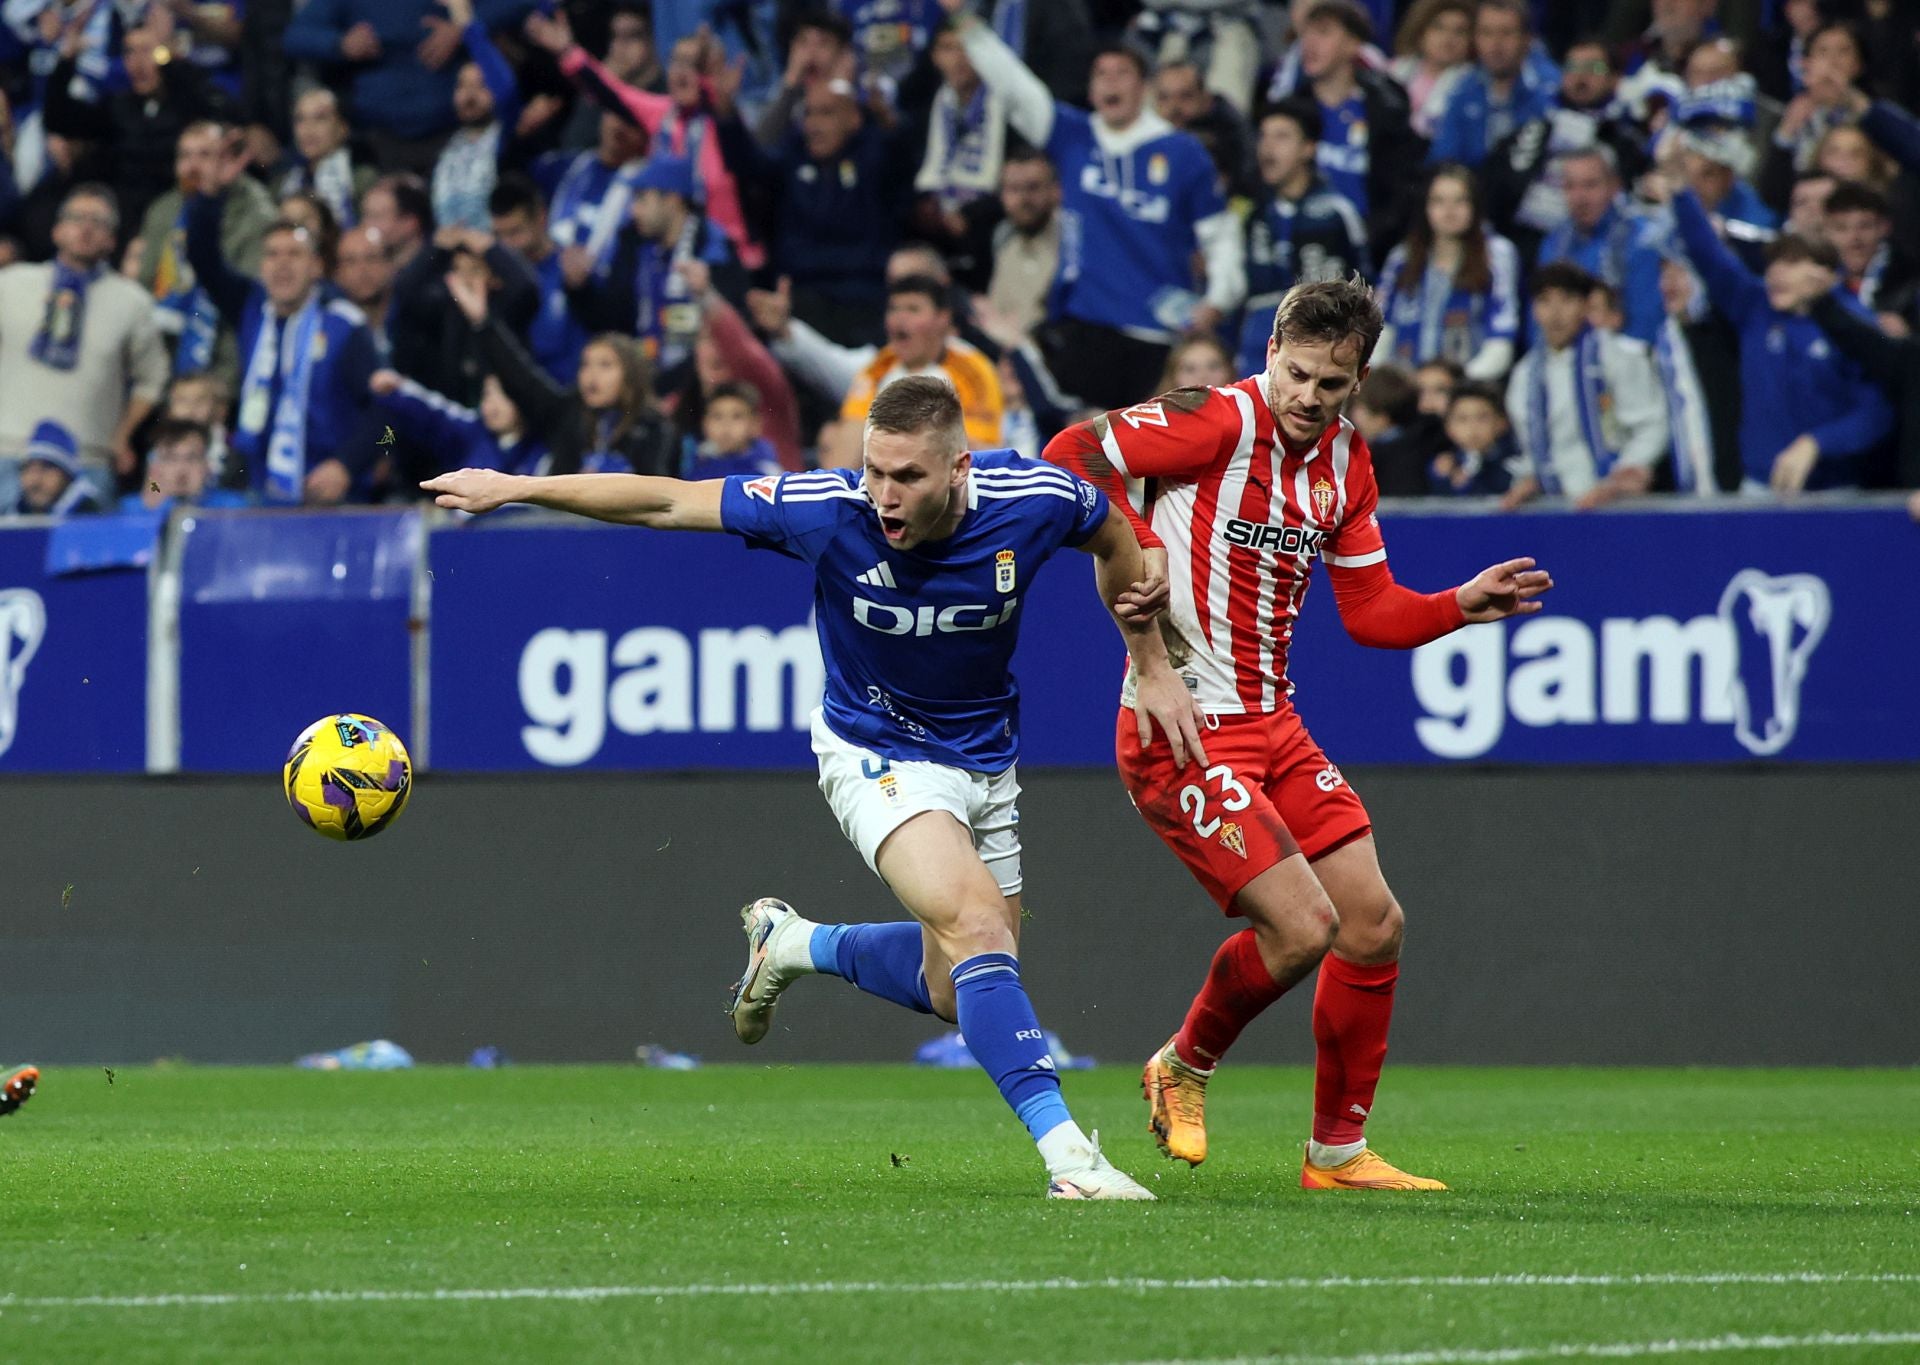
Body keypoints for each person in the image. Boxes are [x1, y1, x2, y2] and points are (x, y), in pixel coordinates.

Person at [422, 374, 1201, 1200]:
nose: (886, 496)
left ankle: (793, 945)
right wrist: (518, 487)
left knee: (956, 983)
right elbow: (667, 502)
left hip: (986, 757)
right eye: (875, 471)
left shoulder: (1036, 497)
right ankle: (1071, 1160)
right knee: (976, 926)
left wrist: (1148, 661)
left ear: (960, 468)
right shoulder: (827, 508)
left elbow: (1116, 536)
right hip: (872, 747)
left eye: (908, 477)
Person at [1045, 277, 1553, 1187]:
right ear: (1272, 350)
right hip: (1181, 727)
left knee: (1371, 924)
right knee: (1303, 925)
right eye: (1299, 373)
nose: (1310, 398)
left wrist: (1456, 607)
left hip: (1275, 724)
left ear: (1358, 382)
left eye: (1333, 383)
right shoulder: (1213, 421)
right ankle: (1182, 1065)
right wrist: (1134, 544)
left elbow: (1370, 611)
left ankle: (1337, 1152)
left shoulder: (1348, 463)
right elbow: (1071, 449)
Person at [949, 1, 1244, 410]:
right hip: (1087, 328)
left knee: (1149, 459)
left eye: (1122, 73)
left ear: (1144, 87)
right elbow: (1015, 85)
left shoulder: (1183, 152)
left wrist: (1219, 299)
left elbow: (1221, 235)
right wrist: (967, 24)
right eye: (1101, 74)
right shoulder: (1073, 135)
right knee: (1081, 447)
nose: (1110, 83)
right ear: (1090, 89)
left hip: (1157, 335)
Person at [1670, 186, 1893, 494]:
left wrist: (1817, 443)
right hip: (1759, 486)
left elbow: (1877, 412)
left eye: (1790, 264)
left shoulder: (1857, 327)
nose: (1775, 274)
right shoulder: (1755, 307)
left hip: (1833, 490)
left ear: (1824, 274)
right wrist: (1682, 192)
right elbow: (1709, 255)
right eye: (1773, 264)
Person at [184, 160, 381, 505]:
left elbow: (388, 417)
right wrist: (211, 196)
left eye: (294, 254)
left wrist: (348, 465)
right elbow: (203, 258)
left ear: (317, 266)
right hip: (260, 495)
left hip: (334, 501)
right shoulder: (252, 309)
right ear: (261, 266)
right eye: (272, 255)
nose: (282, 264)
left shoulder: (345, 327)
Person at [0, 185, 168, 485]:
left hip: (88, 458)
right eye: (77, 218)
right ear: (57, 230)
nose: (86, 228)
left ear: (113, 240)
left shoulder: (132, 301)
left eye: (98, 222)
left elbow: (153, 379)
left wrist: (123, 435)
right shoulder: (10, 284)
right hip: (8, 450)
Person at [444, 268, 675, 476]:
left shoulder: (655, 430)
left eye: (605, 365)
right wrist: (483, 321)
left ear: (631, 375)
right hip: (563, 524)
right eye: (585, 365)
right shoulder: (566, 415)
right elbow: (519, 375)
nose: (591, 375)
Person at [1501, 262, 1669, 511]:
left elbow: (1652, 425)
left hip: (1618, 506)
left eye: (1567, 300)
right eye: (1544, 301)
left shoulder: (1617, 356)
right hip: (1553, 508)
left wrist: (1623, 475)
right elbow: (1528, 445)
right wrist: (1528, 479)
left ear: (1584, 306)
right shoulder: (1525, 375)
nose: (1555, 313)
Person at [1237, 97, 1369, 376]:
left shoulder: (1337, 212)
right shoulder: (1255, 213)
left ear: (1308, 148)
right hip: (1257, 357)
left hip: (1318, 355)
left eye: (1281, 137)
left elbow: (1366, 288)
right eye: (1264, 136)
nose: (1268, 147)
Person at [824, 274, 1003, 466]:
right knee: (831, 435)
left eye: (913, 309)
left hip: (952, 482)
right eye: (894, 309)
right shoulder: (878, 367)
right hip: (885, 479)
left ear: (942, 319)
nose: (900, 318)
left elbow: (984, 451)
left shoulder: (972, 369)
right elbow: (851, 434)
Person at [1293, 2, 1423, 264]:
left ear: (1353, 44)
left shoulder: (1386, 112)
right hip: (1305, 251)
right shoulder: (1291, 111)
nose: (1309, 43)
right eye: (1306, 34)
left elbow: (1401, 193)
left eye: (1323, 32)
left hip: (1371, 254)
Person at [1374, 164, 1521, 379]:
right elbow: (1381, 330)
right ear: (1425, 208)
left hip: (1467, 388)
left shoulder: (1498, 255)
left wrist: (1457, 384)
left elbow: (1501, 341)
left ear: (1476, 206)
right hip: (1404, 392)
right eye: (1438, 201)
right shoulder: (1402, 257)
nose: (1449, 211)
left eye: (1460, 201)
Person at [1533, 146, 1665, 344]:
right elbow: (1538, 326)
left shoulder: (1642, 240)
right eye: (1570, 186)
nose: (1579, 198)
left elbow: (1645, 330)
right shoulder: (1553, 244)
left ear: (1615, 186)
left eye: (1590, 185)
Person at [370, 367, 546, 476]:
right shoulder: (472, 433)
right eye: (487, 395)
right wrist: (399, 389)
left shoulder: (544, 451)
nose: (493, 405)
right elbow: (435, 415)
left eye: (503, 396)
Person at [117, 418, 249, 511]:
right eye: (170, 458)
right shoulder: (130, 509)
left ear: (207, 463)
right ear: (155, 467)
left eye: (192, 458)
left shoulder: (233, 507)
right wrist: (156, 501)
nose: (181, 469)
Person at [1427, 378, 1516, 496]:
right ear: (1448, 427)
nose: (1472, 428)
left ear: (1502, 423)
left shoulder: (1514, 464)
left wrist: (1470, 485)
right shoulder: (1444, 465)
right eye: (1462, 419)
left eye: (1482, 418)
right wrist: (1440, 479)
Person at [684, 380, 781, 479]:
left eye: (737, 416)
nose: (725, 425)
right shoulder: (695, 461)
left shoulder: (767, 474)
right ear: (705, 423)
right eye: (717, 416)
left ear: (755, 424)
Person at [6, 419, 105, 516]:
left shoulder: (92, 520)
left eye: (46, 468)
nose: (35, 480)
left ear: (68, 476)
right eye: (27, 468)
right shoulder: (12, 516)